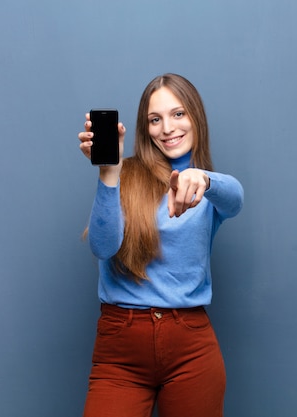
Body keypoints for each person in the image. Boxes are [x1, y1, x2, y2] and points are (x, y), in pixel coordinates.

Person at [77, 73, 244, 417]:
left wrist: (204, 178)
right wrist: (109, 175)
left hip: (191, 348)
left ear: (196, 117)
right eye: (155, 119)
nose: (167, 128)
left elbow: (236, 199)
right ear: (145, 127)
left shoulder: (207, 189)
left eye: (178, 114)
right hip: (121, 348)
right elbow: (102, 247)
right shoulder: (127, 177)